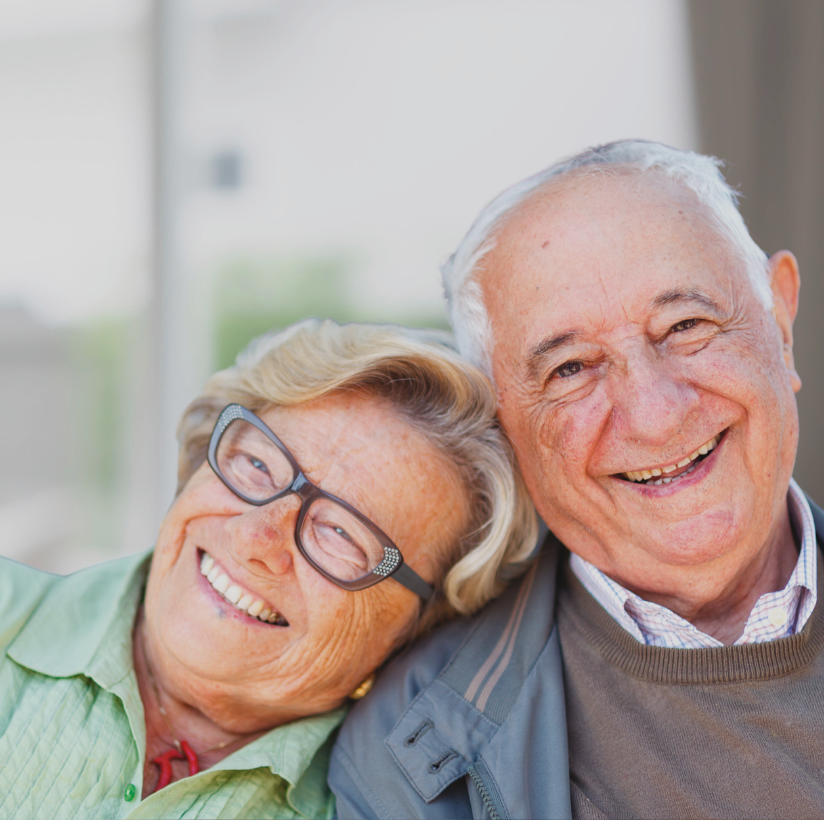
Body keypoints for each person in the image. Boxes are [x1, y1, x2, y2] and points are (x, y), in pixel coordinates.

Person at [0, 319, 538, 819]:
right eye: (256, 465)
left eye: (341, 534)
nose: (258, 534)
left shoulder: (370, 803)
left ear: (415, 625)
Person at [332, 139, 819, 819]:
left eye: (686, 325)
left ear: (782, 321)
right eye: (570, 369)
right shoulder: (409, 762)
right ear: (502, 425)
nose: (655, 415)